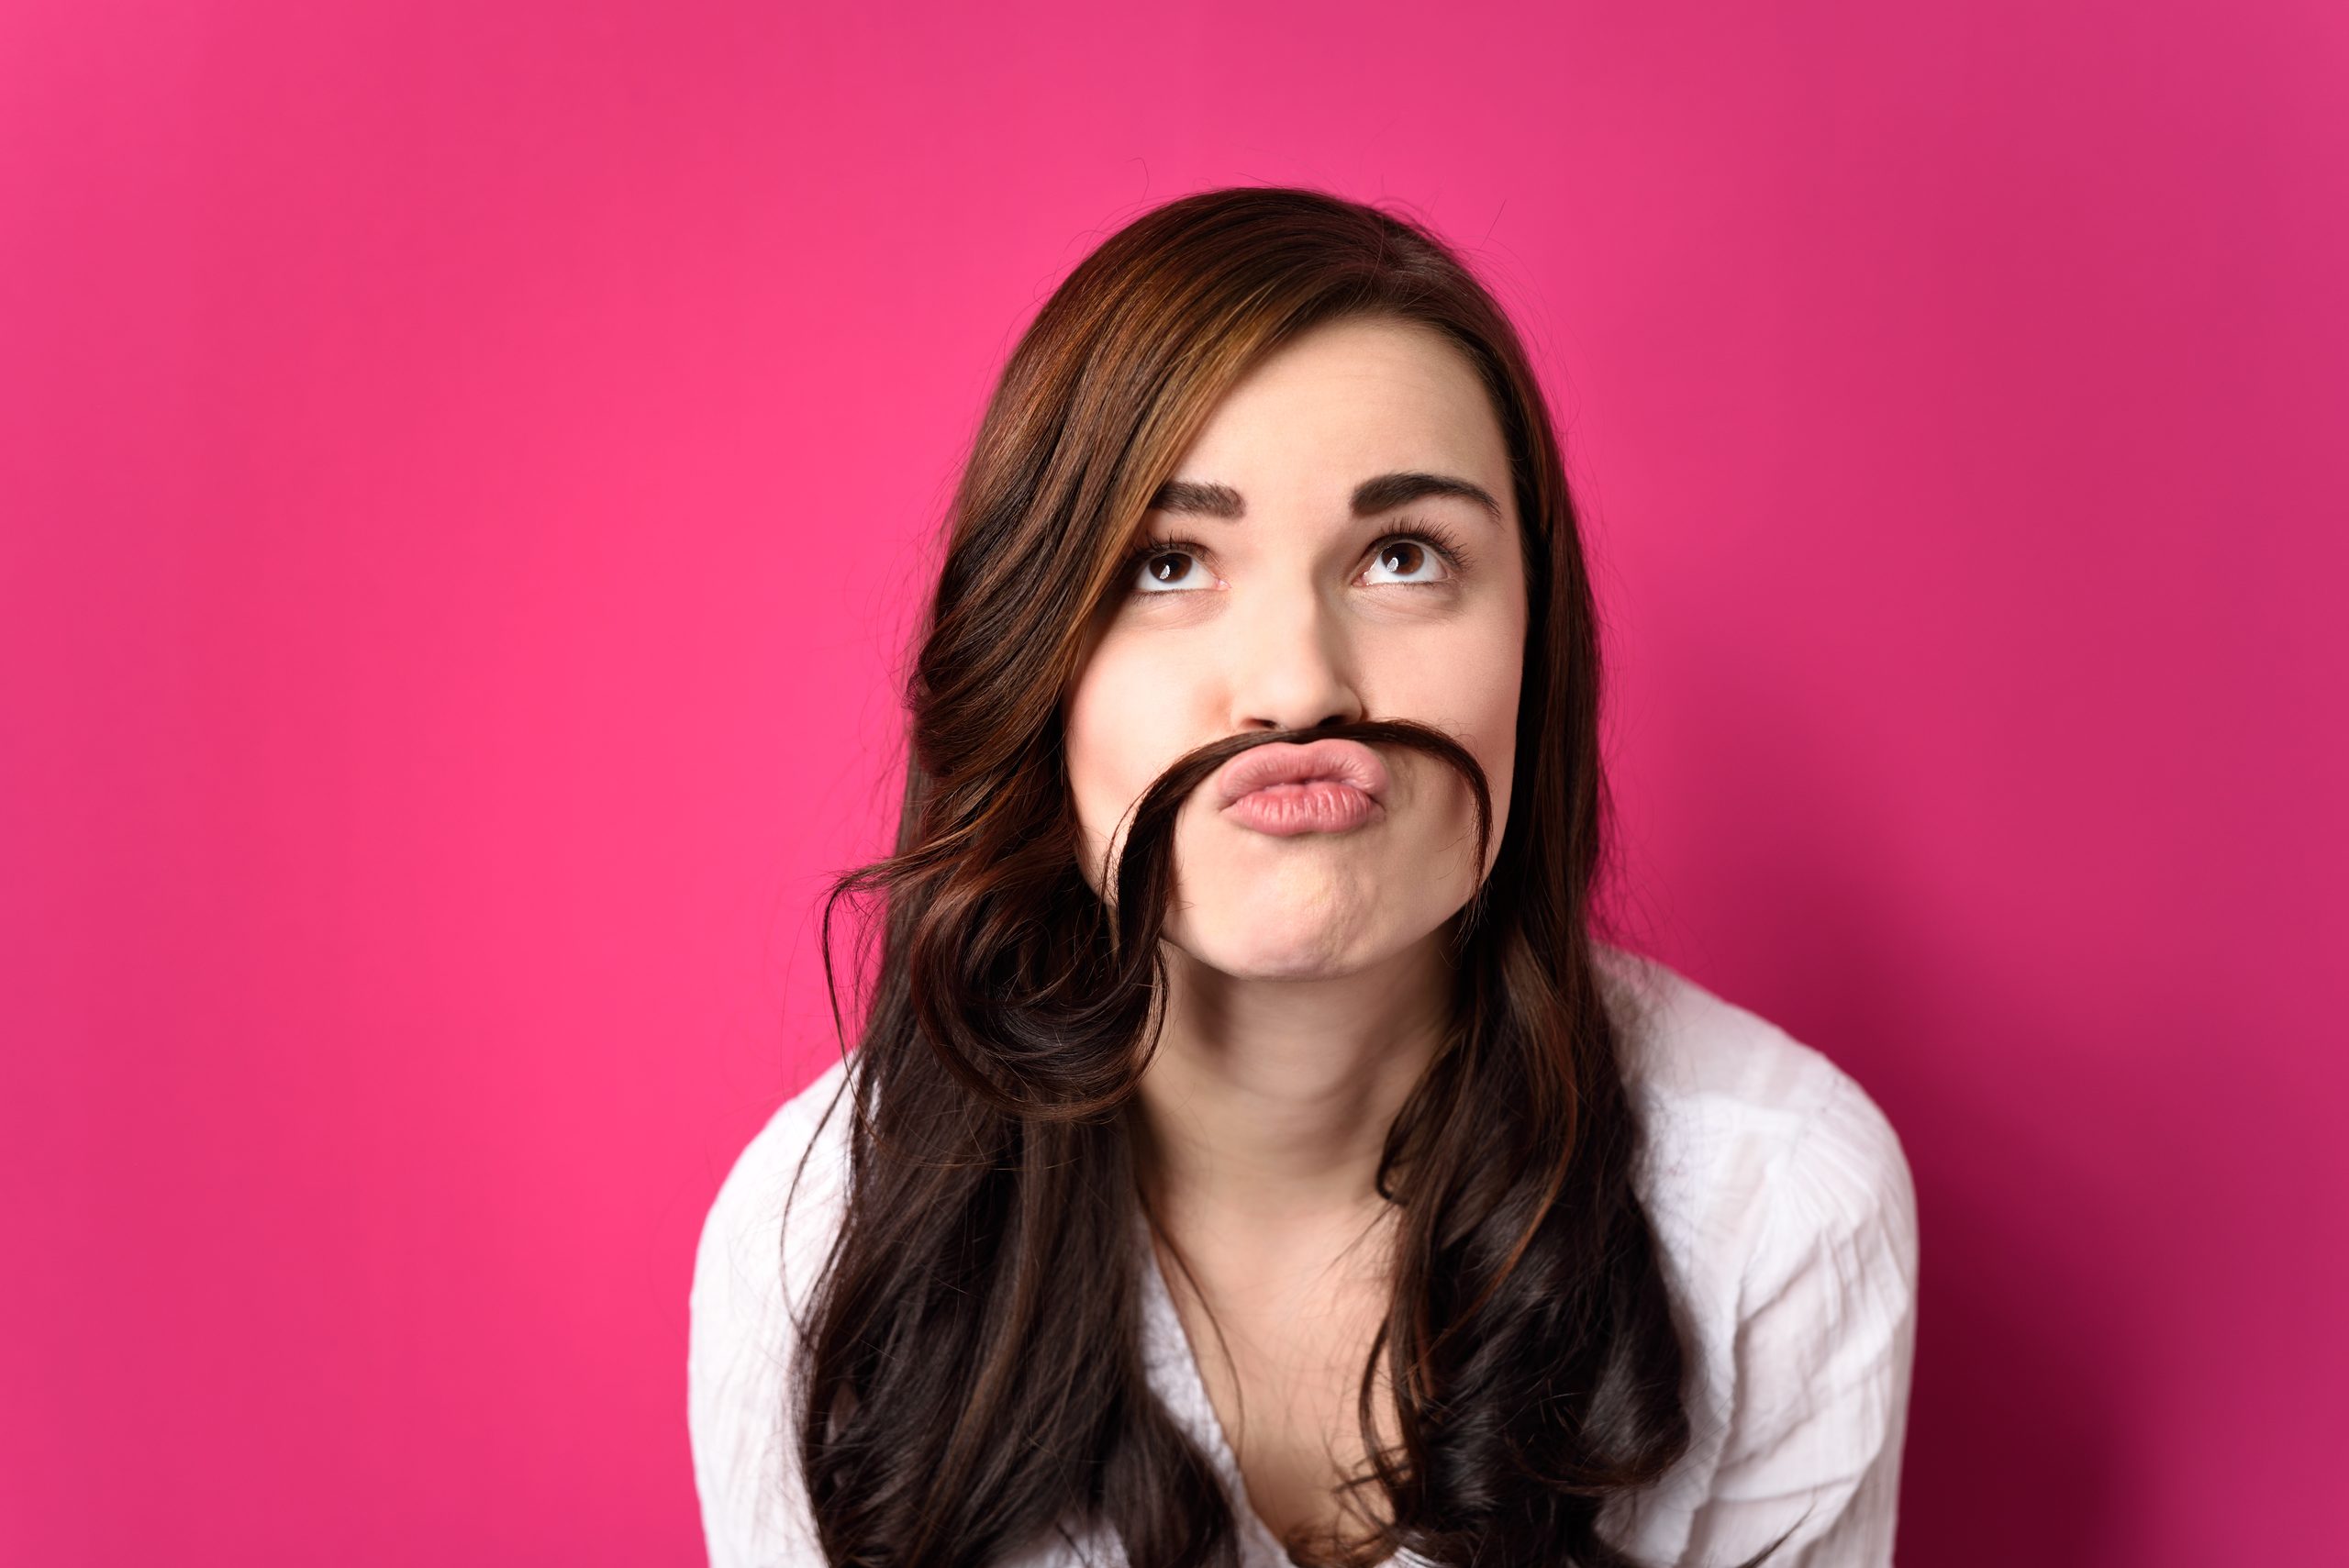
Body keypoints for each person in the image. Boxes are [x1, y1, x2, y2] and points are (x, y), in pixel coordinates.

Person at [688, 186, 1919, 1568]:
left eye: (1403, 558)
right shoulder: (818, 1249)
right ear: (1039, 660)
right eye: (1168, 563)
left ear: (1535, 646)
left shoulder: (1779, 1217)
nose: (1298, 688)